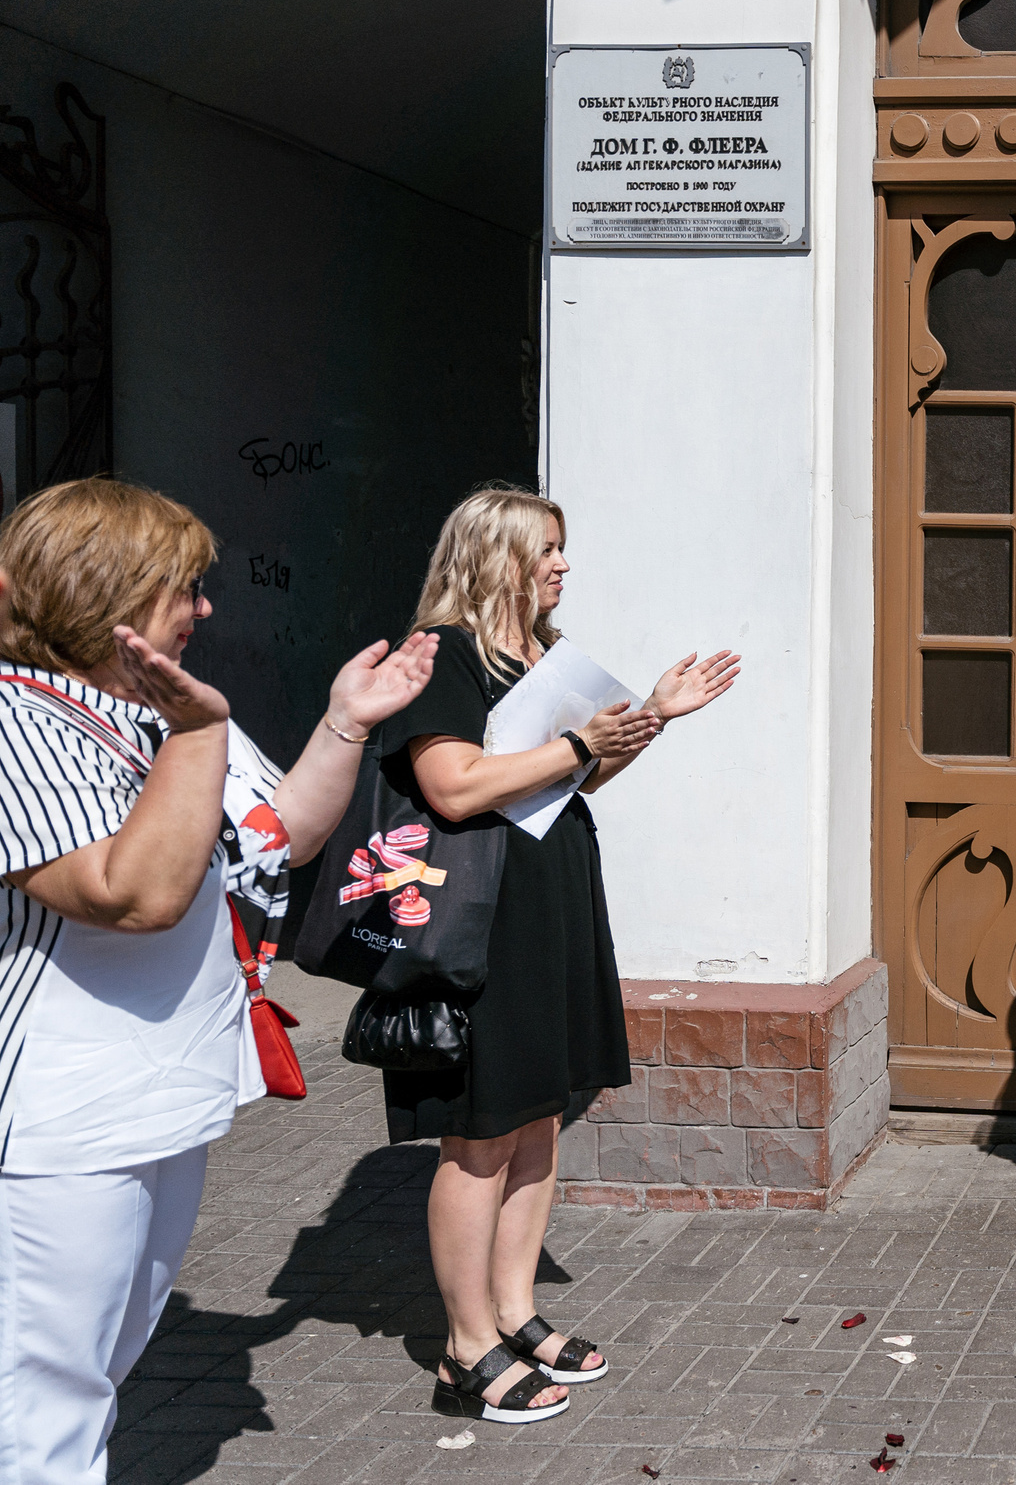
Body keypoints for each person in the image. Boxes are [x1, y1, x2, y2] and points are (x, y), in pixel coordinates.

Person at [0, 478, 435, 1484]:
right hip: (62, 1118)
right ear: (102, 591)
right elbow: (131, 893)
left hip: (164, 1096)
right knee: (40, 1401)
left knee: (95, 1374)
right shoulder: (21, 720)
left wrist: (346, 723)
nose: (203, 609)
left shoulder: (169, 712)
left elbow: (276, 841)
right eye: (181, 588)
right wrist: (197, 735)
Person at [379, 487, 738, 1423]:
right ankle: (465, 1348)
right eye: (547, 549)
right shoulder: (446, 654)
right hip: (480, 921)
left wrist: (649, 717)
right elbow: (454, 789)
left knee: (540, 1118)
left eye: (562, 551)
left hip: (551, 904)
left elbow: (568, 772)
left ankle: (513, 1312)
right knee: (482, 1128)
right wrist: (580, 738)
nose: (563, 566)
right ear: (495, 555)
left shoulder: (533, 656)